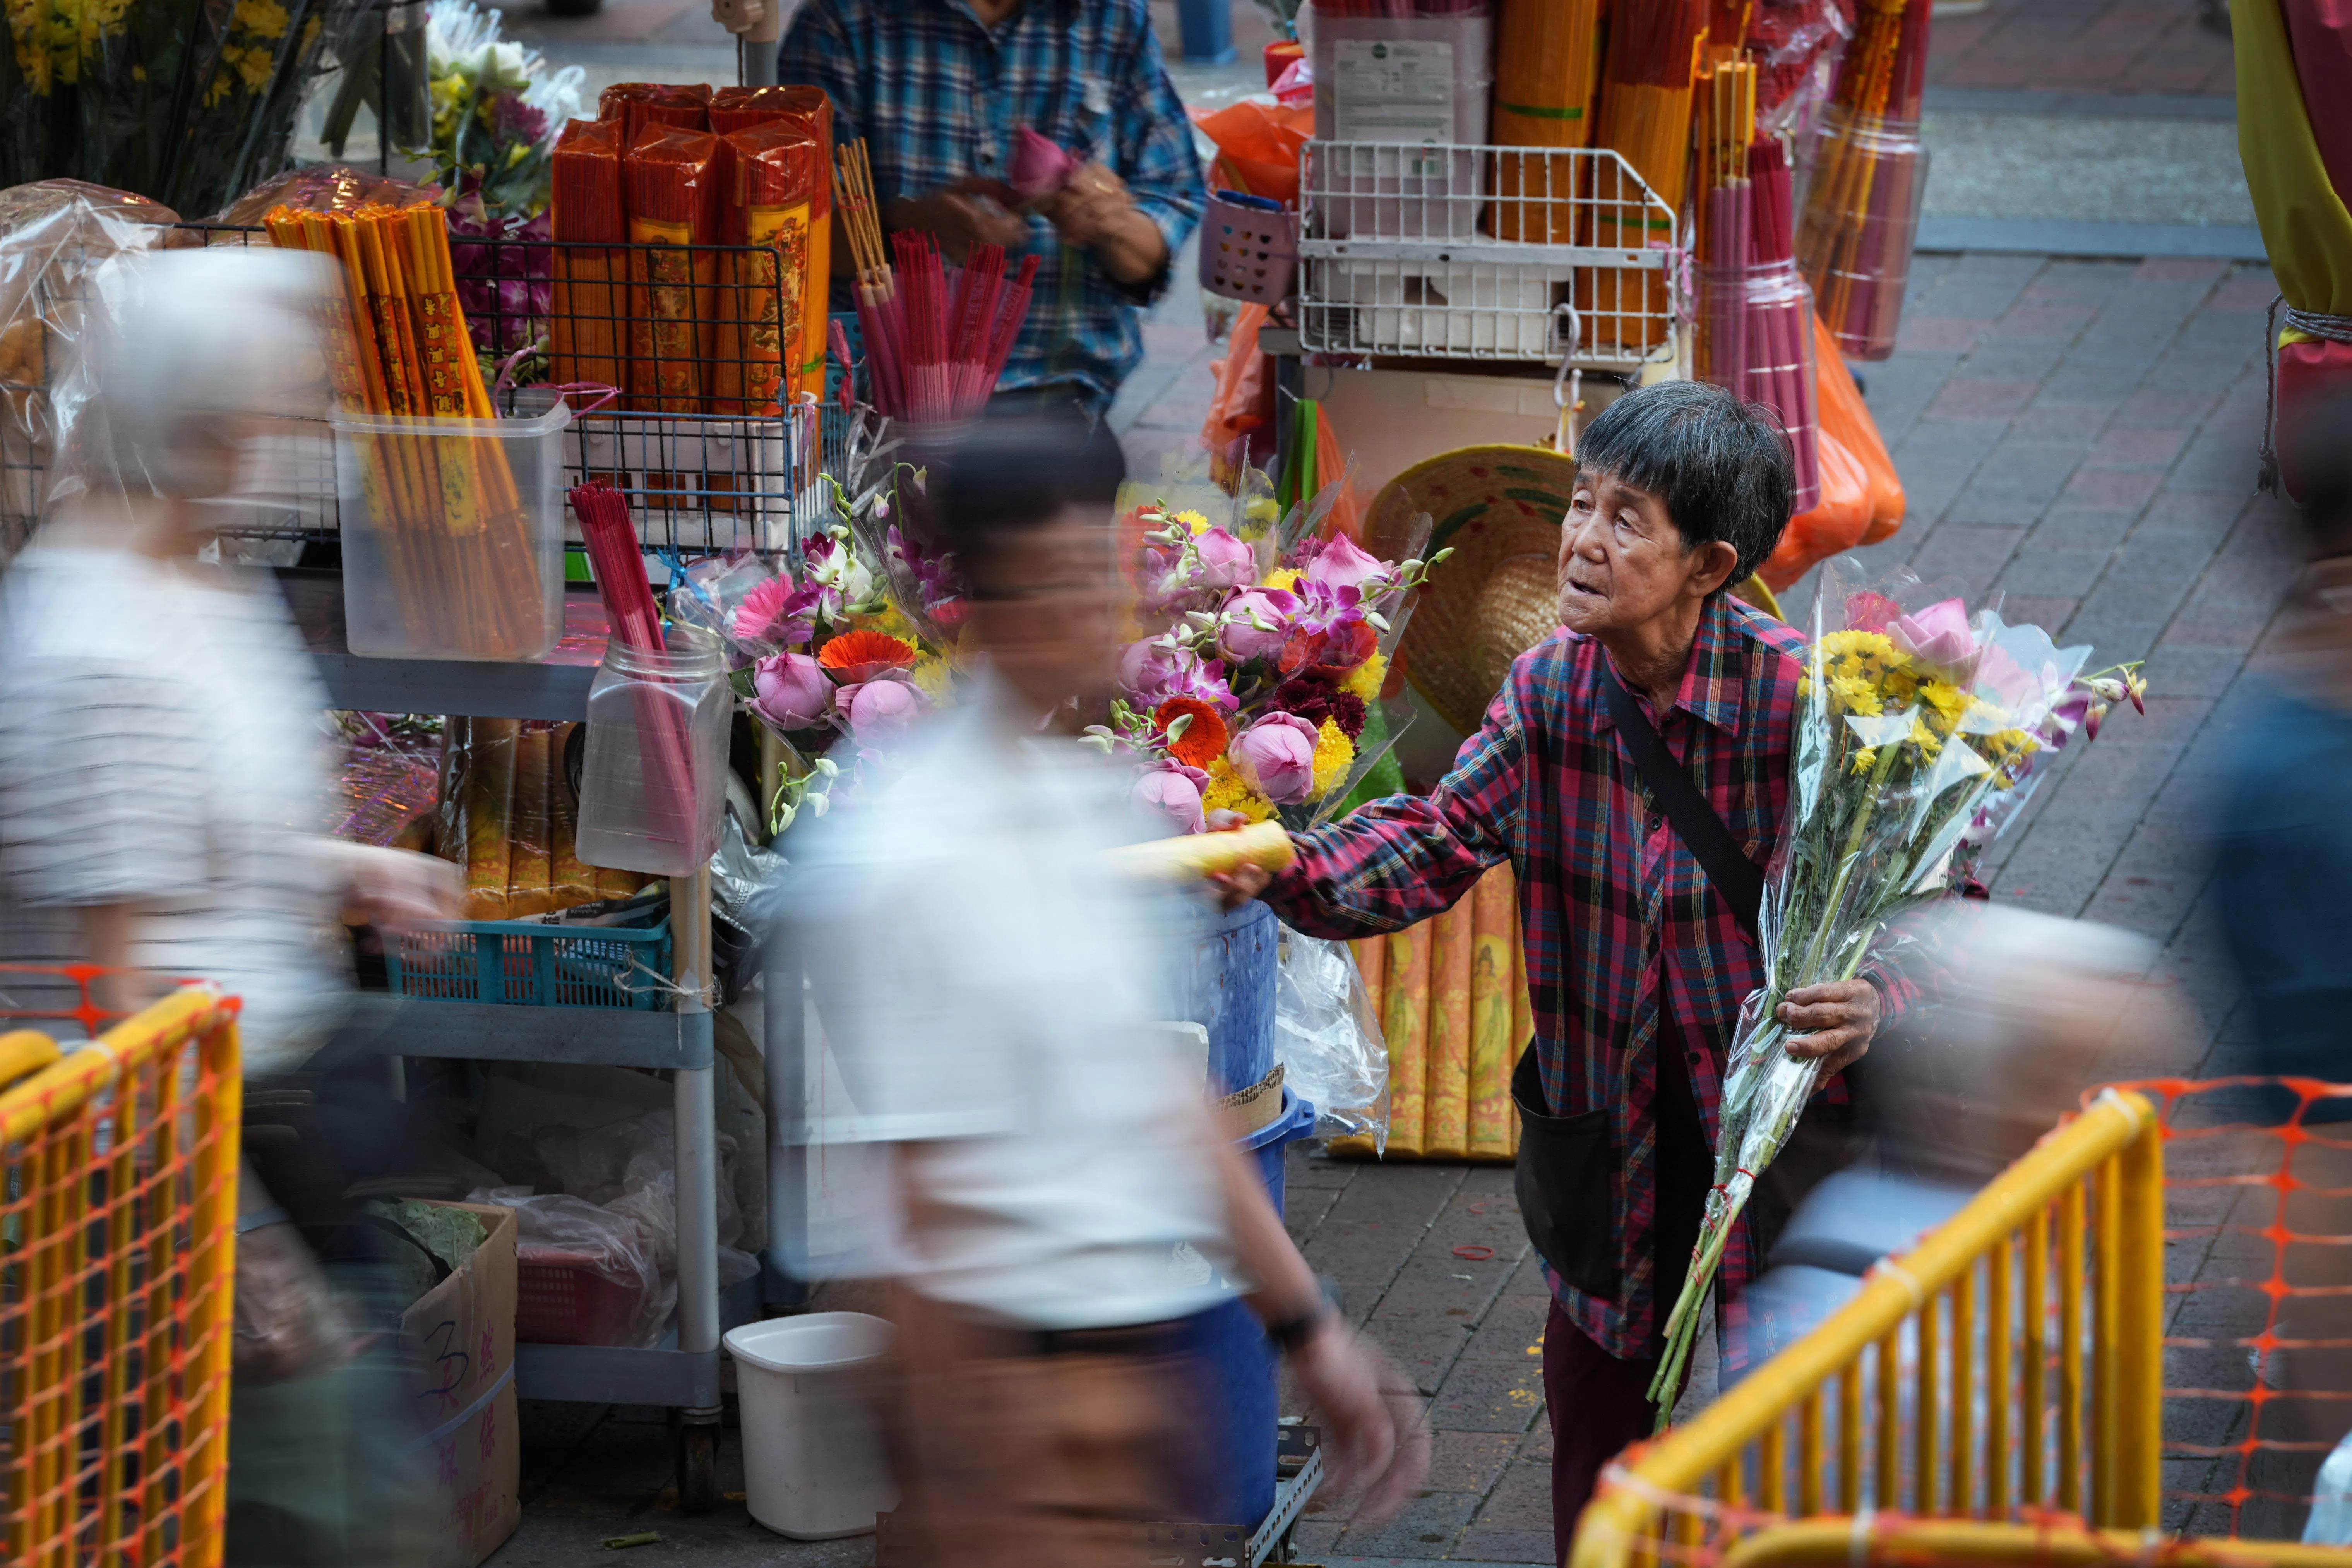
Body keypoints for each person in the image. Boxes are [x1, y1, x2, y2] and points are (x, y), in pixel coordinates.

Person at [1213, 379, 1920, 1554]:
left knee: (1787, 1461)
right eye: (1582, 505)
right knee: (1598, 1467)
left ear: (1710, 566)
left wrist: (1881, 994)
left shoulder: (1802, 702)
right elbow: (1436, 843)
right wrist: (1281, 863)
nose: (1582, 540)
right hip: (1611, 1145)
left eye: (1626, 518)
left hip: (1777, 1149)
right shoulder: (1552, 688)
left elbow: (1929, 892)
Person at [776, 421, 1426, 1567]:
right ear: (972, 621)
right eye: (1059, 588)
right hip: (1007, 1408)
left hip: (1125, 1390)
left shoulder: (1072, 810)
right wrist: (976, 1475)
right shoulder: (906, 857)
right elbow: (922, 1197)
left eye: (1102, 577)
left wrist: (1308, 1326)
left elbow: (1151, 1092)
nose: (1100, 617)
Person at [0, 247, 459, 1566]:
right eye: (287, 410)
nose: (311, 439)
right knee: (314, 1510)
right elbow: (115, 991)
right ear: (204, 426)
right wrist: (237, 1250)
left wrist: (350, 870)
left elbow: (214, 845)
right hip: (200, 1160)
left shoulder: (203, 576)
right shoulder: (104, 643)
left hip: (285, 1115)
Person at [774, 0, 1204, 423]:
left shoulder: (1111, 17)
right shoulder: (841, 22)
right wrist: (904, 228)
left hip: (1054, 383)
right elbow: (798, 242)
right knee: (909, 480)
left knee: (1052, 483)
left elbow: (1169, 202)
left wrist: (1110, 223)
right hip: (882, 390)